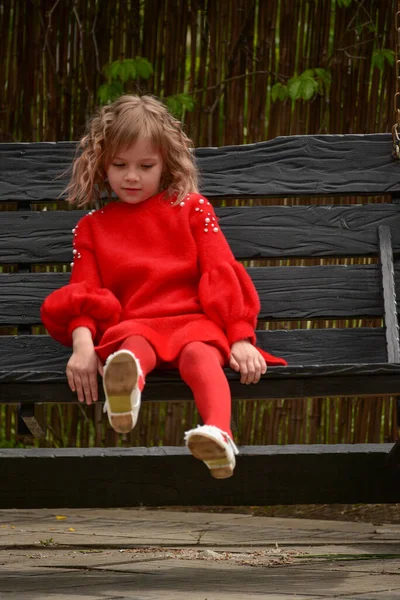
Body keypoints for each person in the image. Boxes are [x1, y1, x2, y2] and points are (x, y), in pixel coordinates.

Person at [41, 95, 287, 479]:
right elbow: (84, 291)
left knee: (201, 359)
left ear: (166, 164)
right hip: (136, 325)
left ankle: (219, 434)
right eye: (119, 165)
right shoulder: (92, 227)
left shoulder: (192, 209)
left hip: (193, 322)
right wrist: (83, 348)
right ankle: (125, 391)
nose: (132, 176)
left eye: (145, 165)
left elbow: (220, 270)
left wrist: (240, 336)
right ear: (103, 164)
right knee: (132, 351)